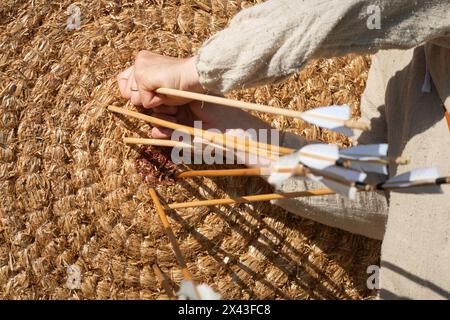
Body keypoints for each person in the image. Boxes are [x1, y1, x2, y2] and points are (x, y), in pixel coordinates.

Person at [117, 1, 450, 299]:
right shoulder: (394, 59)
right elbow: (385, 195)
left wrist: (192, 72)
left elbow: (332, 12)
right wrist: (237, 131)